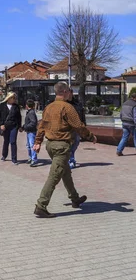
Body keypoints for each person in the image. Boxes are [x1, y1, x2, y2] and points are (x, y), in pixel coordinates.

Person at [33, 81, 97, 218]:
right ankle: (41, 205)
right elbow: (78, 126)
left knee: (65, 173)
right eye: (69, 91)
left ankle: (75, 199)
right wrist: (91, 137)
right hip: (61, 146)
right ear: (65, 92)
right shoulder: (67, 108)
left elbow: (41, 126)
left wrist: (38, 142)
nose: (70, 94)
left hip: (50, 145)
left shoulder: (48, 107)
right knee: (54, 176)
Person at [0, 91, 21, 164]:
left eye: (14, 98)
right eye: (12, 98)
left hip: (14, 126)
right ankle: (4, 155)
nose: (14, 99)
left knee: (13, 142)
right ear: (9, 98)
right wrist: (1, 125)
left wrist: (19, 126)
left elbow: (19, 117)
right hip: (5, 126)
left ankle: (14, 159)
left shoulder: (16, 106)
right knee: (6, 141)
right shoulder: (2, 105)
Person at [66, 88, 86, 168]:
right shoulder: (64, 103)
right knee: (69, 145)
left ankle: (71, 158)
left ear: (71, 93)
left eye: (69, 93)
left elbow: (82, 114)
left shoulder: (77, 103)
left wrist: (84, 125)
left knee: (76, 143)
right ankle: (71, 160)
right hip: (68, 127)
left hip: (77, 127)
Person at [116, 90, 136, 156]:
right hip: (132, 124)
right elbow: (135, 115)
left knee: (124, 137)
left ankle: (119, 150)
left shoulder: (124, 103)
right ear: (134, 98)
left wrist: (122, 120)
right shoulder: (134, 105)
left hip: (124, 123)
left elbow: (121, 114)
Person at [22, 99, 38, 166]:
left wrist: (25, 127)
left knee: (32, 145)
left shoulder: (31, 113)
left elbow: (33, 123)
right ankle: (31, 157)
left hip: (31, 131)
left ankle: (34, 160)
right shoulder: (29, 112)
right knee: (28, 145)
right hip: (29, 131)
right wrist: (23, 127)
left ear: (27, 105)